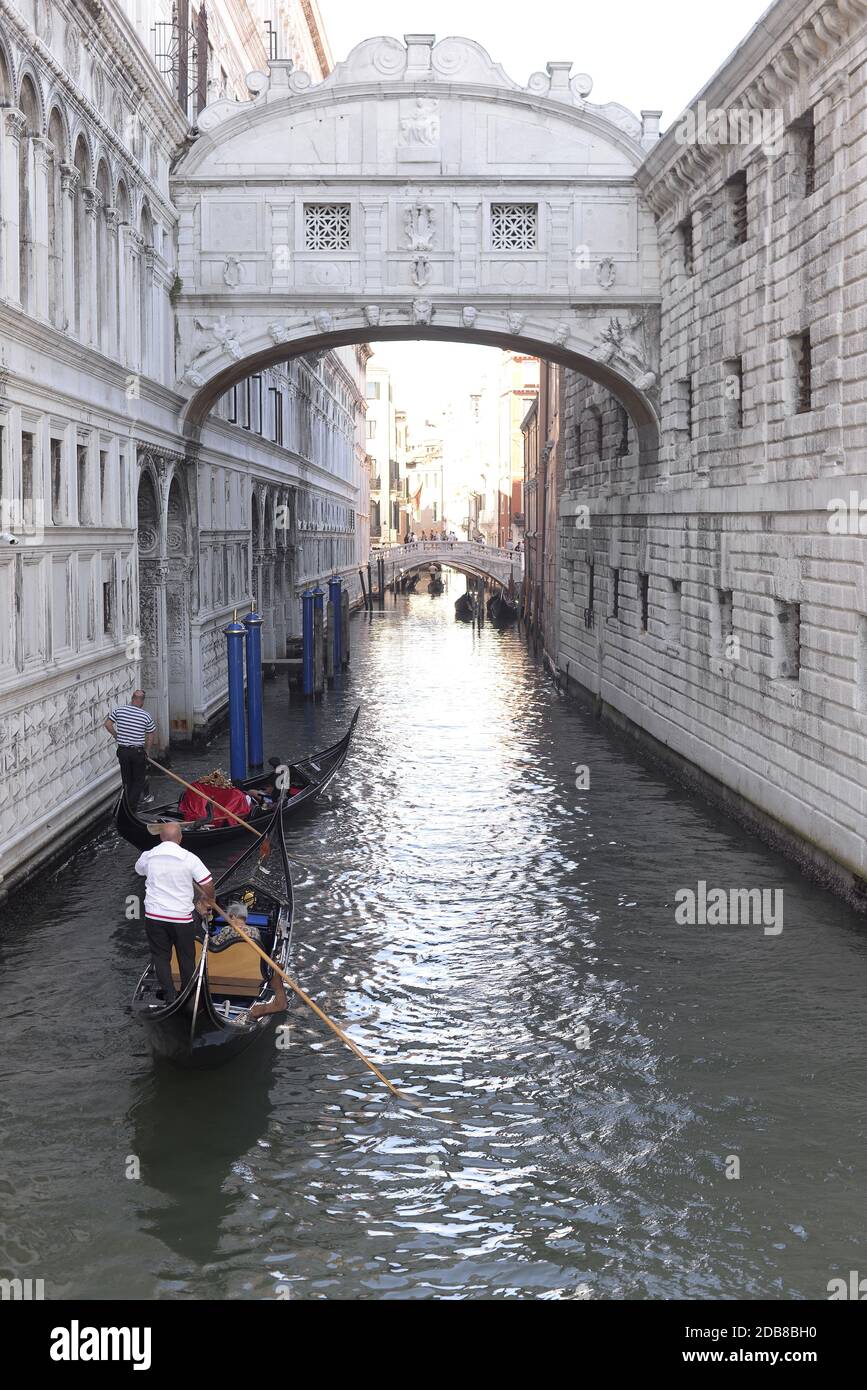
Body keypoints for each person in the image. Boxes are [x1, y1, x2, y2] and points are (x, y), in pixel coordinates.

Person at [134, 823, 217, 1001]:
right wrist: (206, 901)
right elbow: (208, 884)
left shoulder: (148, 856)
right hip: (181, 918)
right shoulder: (189, 858)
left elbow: (139, 870)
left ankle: (170, 996)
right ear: (180, 838)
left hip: (155, 917)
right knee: (186, 957)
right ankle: (187, 995)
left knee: (160, 957)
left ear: (161, 838)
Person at [105, 690, 156, 811]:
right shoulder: (145, 715)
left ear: (132, 698)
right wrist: (147, 752)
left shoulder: (119, 710)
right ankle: (131, 808)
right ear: (142, 701)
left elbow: (107, 724)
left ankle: (126, 806)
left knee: (127, 781)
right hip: (137, 753)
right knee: (138, 781)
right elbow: (150, 735)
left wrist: (116, 735)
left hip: (122, 751)